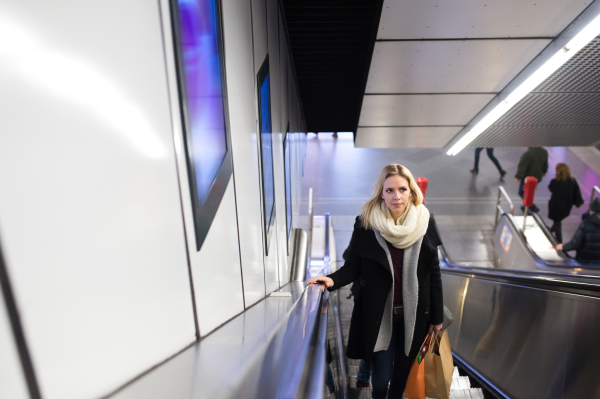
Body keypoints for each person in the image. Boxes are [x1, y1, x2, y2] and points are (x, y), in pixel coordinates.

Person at [307, 164, 444, 399]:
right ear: (381, 192)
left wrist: (437, 318)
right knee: (381, 377)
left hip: (415, 316)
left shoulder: (424, 222)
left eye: (402, 189)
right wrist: (330, 280)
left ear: (411, 191)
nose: (396, 196)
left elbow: (434, 273)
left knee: (402, 372)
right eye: (389, 190)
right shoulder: (367, 223)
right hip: (380, 316)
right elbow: (354, 266)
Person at [556, 198, 600, 264]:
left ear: (592, 211)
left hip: (584, 259)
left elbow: (575, 243)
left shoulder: (586, 224)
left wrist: (563, 247)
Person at [548, 163, 584, 243]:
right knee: (558, 220)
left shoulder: (555, 182)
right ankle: (550, 230)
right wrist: (578, 203)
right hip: (566, 207)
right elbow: (577, 193)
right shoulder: (572, 181)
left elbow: (550, 188)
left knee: (557, 222)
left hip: (555, 207)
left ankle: (559, 242)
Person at [515, 147, 548, 213]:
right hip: (537, 177)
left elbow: (522, 166)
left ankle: (532, 207)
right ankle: (525, 206)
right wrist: (544, 171)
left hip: (527, 178)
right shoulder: (544, 152)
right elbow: (545, 163)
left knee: (522, 192)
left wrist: (518, 176)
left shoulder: (527, 154)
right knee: (530, 191)